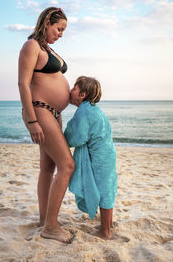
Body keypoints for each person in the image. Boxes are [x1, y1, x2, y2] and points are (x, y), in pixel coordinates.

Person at [18, 7, 75, 243]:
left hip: (53, 113)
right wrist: (31, 121)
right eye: (59, 28)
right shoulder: (31, 46)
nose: (61, 34)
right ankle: (51, 226)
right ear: (46, 23)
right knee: (67, 165)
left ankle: (44, 219)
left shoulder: (48, 49)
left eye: (63, 31)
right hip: (40, 110)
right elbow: (23, 83)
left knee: (47, 168)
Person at [64, 76, 117, 240]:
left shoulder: (85, 111)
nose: (71, 90)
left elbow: (77, 137)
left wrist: (61, 139)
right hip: (107, 154)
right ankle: (108, 224)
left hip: (100, 158)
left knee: (104, 191)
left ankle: (105, 231)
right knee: (107, 188)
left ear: (82, 94)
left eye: (74, 88)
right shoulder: (92, 109)